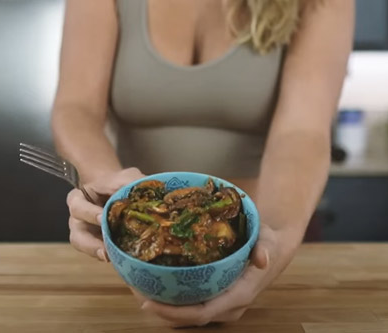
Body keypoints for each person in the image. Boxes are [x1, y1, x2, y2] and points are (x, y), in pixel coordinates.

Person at [52, 0, 354, 327]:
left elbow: (303, 131)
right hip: (133, 253)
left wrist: (275, 238)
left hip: (267, 237)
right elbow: (75, 109)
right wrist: (111, 199)